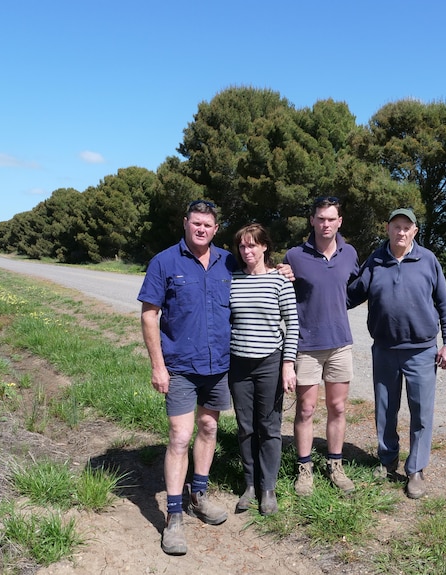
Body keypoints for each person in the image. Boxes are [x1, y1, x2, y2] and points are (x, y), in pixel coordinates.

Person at [137, 199, 234, 556]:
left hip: (218, 365)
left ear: (215, 228)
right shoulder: (164, 262)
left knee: (209, 429)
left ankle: (199, 494)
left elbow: (259, 271)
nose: (201, 230)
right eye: (196, 223)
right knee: (180, 437)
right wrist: (157, 366)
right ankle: (173, 515)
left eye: (208, 225)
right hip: (179, 366)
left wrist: (282, 270)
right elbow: (150, 316)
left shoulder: (228, 260)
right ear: (185, 223)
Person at [347, 208, 446, 499]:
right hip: (384, 349)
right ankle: (387, 459)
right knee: (385, 409)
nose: (401, 232)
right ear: (387, 229)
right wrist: (317, 291)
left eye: (406, 227)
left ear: (415, 231)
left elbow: (444, 303)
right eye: (396, 226)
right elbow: (353, 294)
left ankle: (416, 469)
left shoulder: (428, 260)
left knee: (421, 412)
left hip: (421, 351)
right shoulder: (376, 260)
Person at [282, 196, 359, 495]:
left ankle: (335, 465)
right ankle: (305, 468)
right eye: (320, 218)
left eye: (331, 219)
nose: (325, 224)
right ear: (312, 220)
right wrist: (281, 273)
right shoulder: (295, 256)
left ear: (340, 221)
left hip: (340, 343)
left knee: (337, 407)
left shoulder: (349, 253)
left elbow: (355, 288)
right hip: (306, 345)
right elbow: (280, 289)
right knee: (306, 409)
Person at [228, 223, 299, 515]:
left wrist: (288, 365)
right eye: (242, 247)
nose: (247, 252)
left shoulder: (280, 281)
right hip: (238, 363)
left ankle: (268, 487)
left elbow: (293, 324)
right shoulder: (232, 280)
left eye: (252, 246)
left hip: (270, 361)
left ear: (264, 246)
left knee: (269, 426)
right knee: (245, 427)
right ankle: (250, 484)